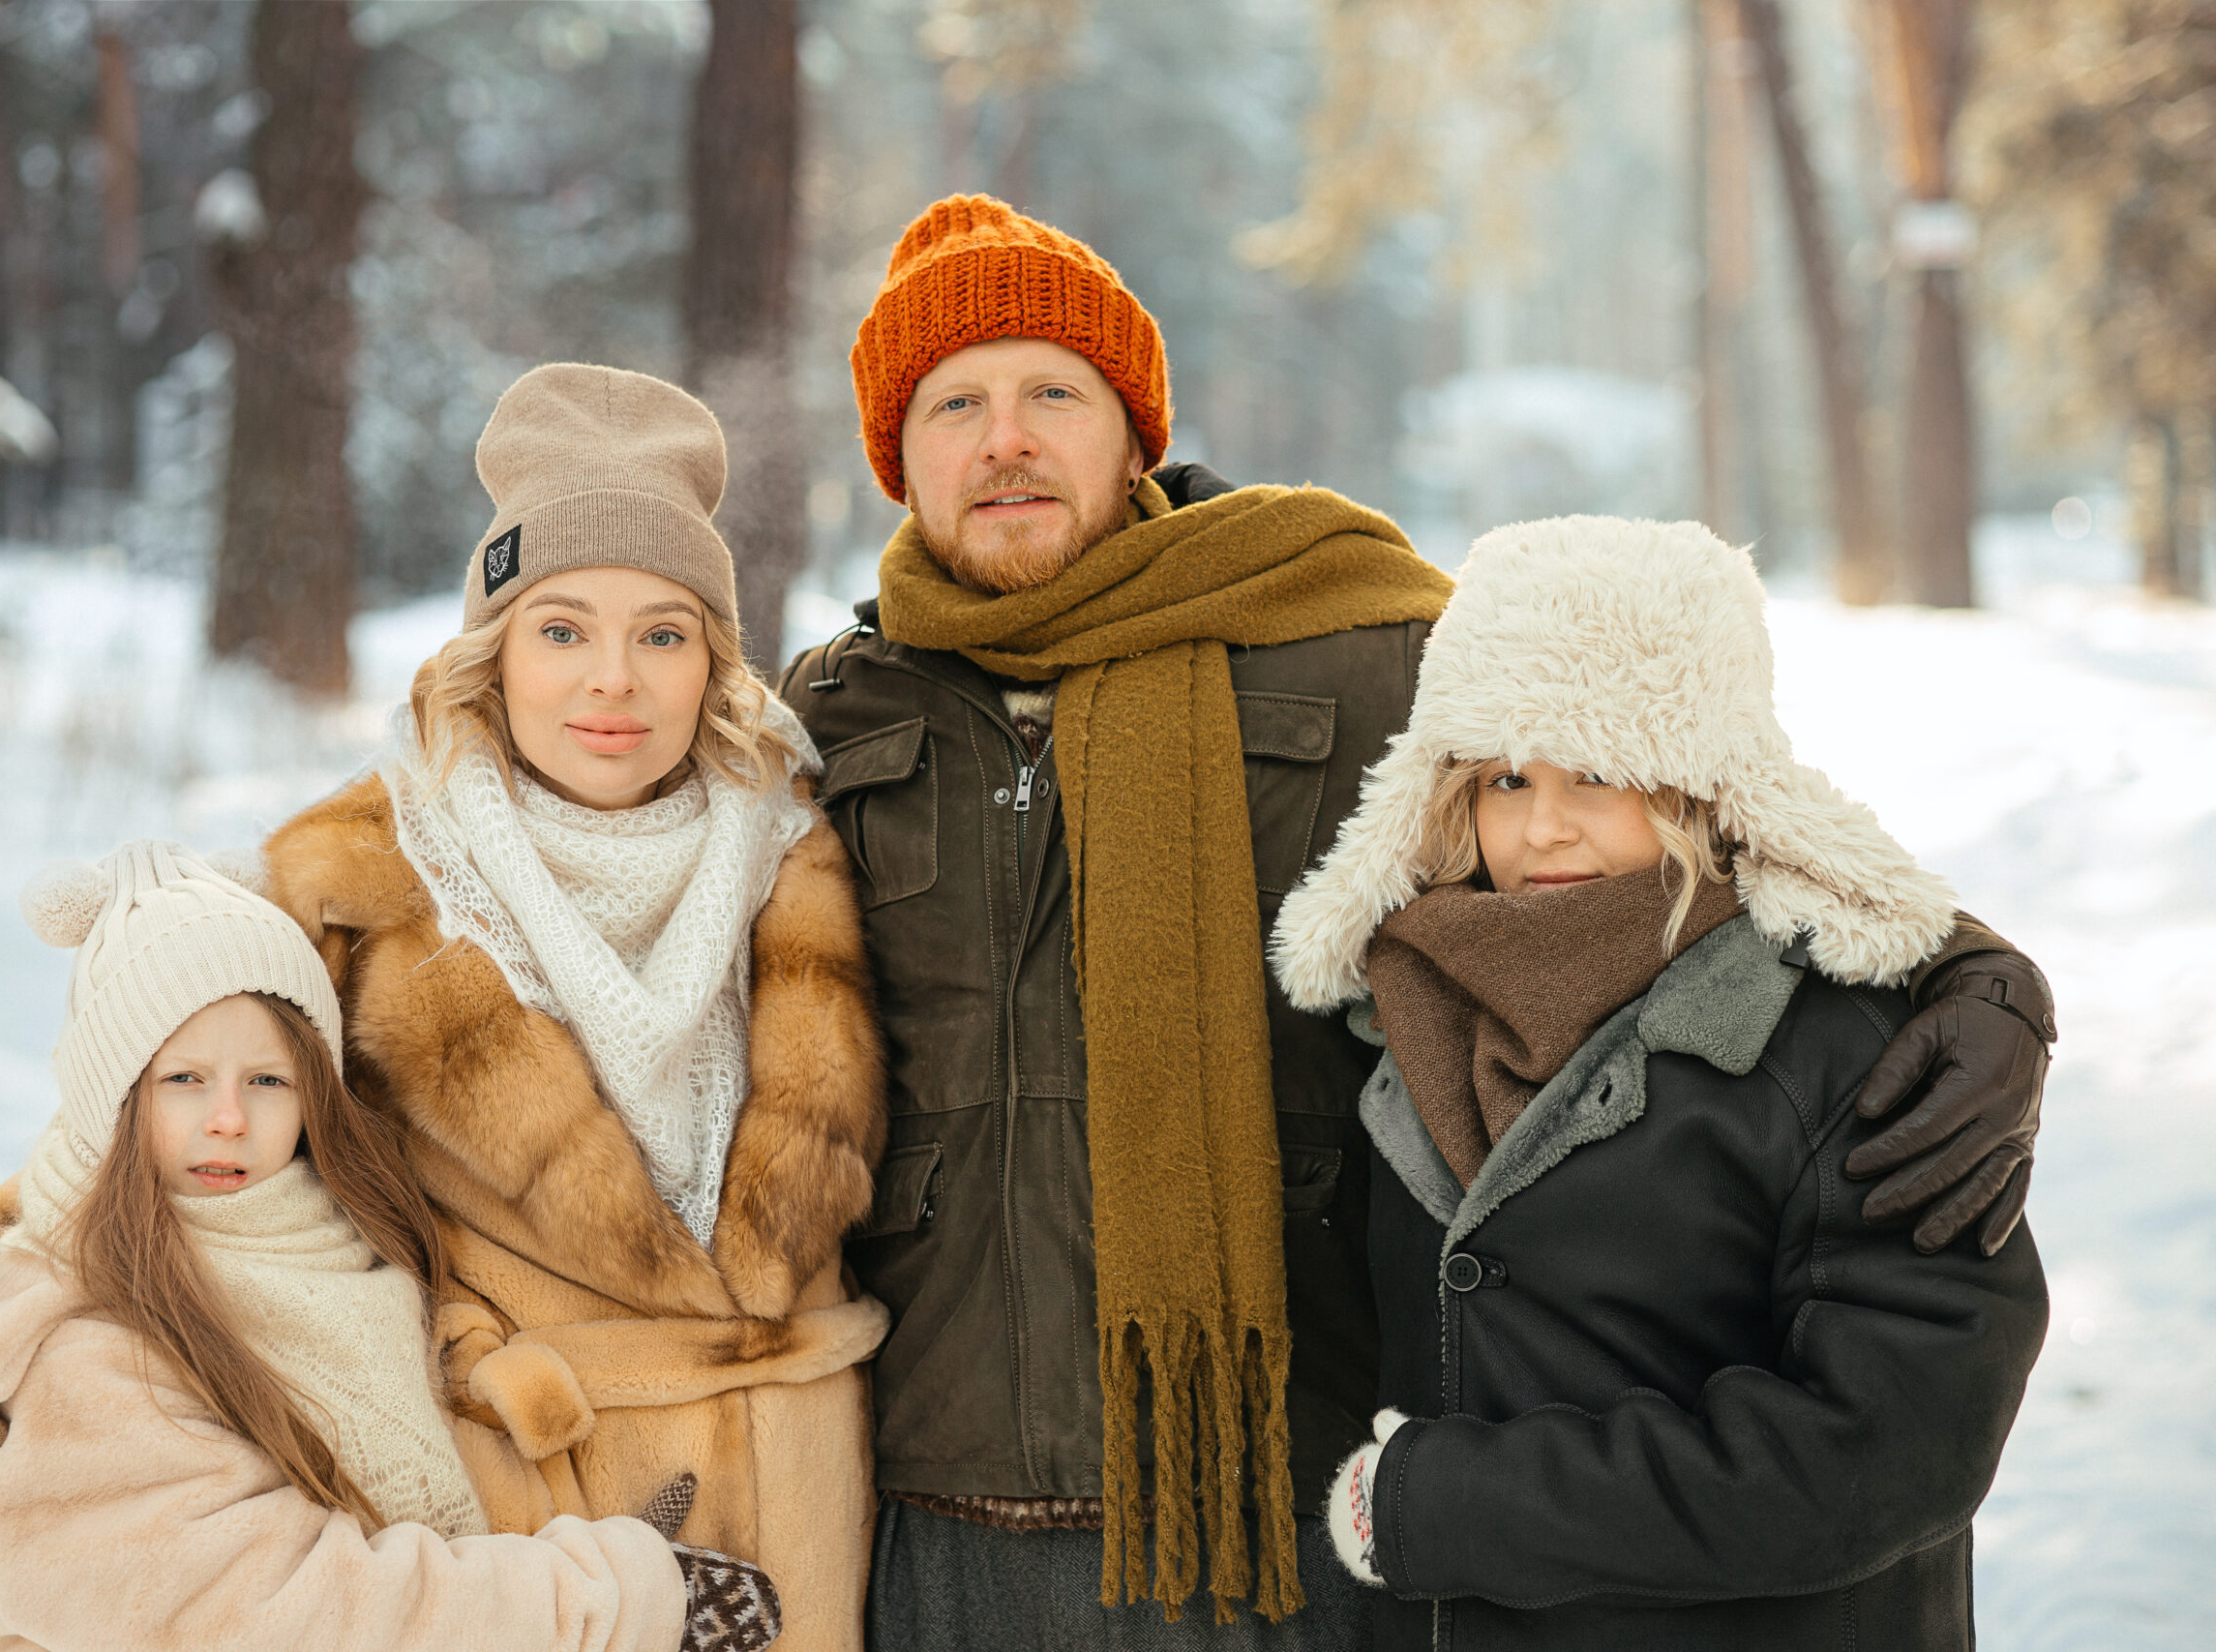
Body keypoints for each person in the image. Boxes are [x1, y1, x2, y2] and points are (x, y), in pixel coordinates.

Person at [778, 194, 2056, 1644]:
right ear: (896, 453)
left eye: (1051, 394)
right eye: (954, 403)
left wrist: (1970, 979)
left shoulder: (1345, 630)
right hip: (941, 1491)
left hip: (1287, 1487)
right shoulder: (828, 712)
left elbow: (1672, 779)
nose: (1004, 438)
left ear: (1133, 431)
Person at [0, 366, 886, 1650]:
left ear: (713, 659)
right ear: (491, 651)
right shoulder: (361, 882)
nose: (615, 679)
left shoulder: (805, 864)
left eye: (663, 632)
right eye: (561, 629)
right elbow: (157, 1133)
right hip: (540, 1546)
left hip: (809, 1534)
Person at [1273, 516, 2049, 1648]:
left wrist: (1447, 1506)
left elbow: (1892, 1446)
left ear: (1697, 784)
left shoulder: (1846, 1047)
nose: (1543, 827)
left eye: (1597, 773)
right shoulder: (1396, 1016)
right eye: (1504, 778)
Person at [0, 838, 771, 1652]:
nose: (229, 1116)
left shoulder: (334, 1246)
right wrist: (604, 1602)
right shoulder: (78, 1342)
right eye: (184, 1078)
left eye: (267, 1078)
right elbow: (280, 1612)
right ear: (110, 1097)